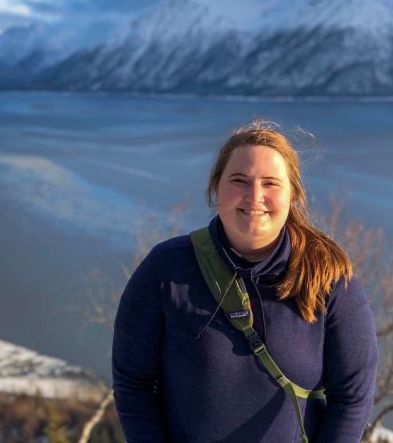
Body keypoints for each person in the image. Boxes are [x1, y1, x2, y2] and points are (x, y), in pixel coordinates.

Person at [112, 121, 378, 443]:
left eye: (271, 183)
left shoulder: (328, 279)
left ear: (293, 195)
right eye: (240, 180)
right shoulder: (167, 270)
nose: (255, 196)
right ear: (216, 189)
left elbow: (352, 397)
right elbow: (133, 384)